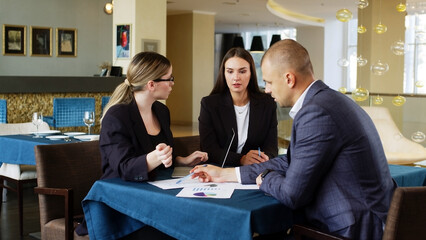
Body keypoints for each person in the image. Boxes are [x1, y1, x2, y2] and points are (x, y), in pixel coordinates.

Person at [192, 39, 396, 239]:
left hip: (350, 228)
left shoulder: (316, 112)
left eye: (270, 82)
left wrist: (266, 177)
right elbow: (291, 160)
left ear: (289, 79)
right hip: (367, 217)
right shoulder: (329, 100)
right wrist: (226, 174)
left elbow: (292, 195)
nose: (267, 89)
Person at [76, 52, 208, 238]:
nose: (172, 83)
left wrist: (182, 160)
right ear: (151, 85)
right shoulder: (117, 116)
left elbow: (161, 155)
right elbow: (123, 168)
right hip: (121, 204)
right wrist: (154, 157)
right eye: (169, 78)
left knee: (196, 222)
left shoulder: (162, 111)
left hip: (154, 197)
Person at [199, 47, 278, 167]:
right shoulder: (209, 104)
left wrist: (263, 158)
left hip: (254, 169)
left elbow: (271, 146)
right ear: (224, 73)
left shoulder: (267, 103)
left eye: (242, 71)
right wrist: (241, 159)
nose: (236, 77)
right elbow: (209, 149)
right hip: (220, 170)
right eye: (230, 71)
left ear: (251, 73)